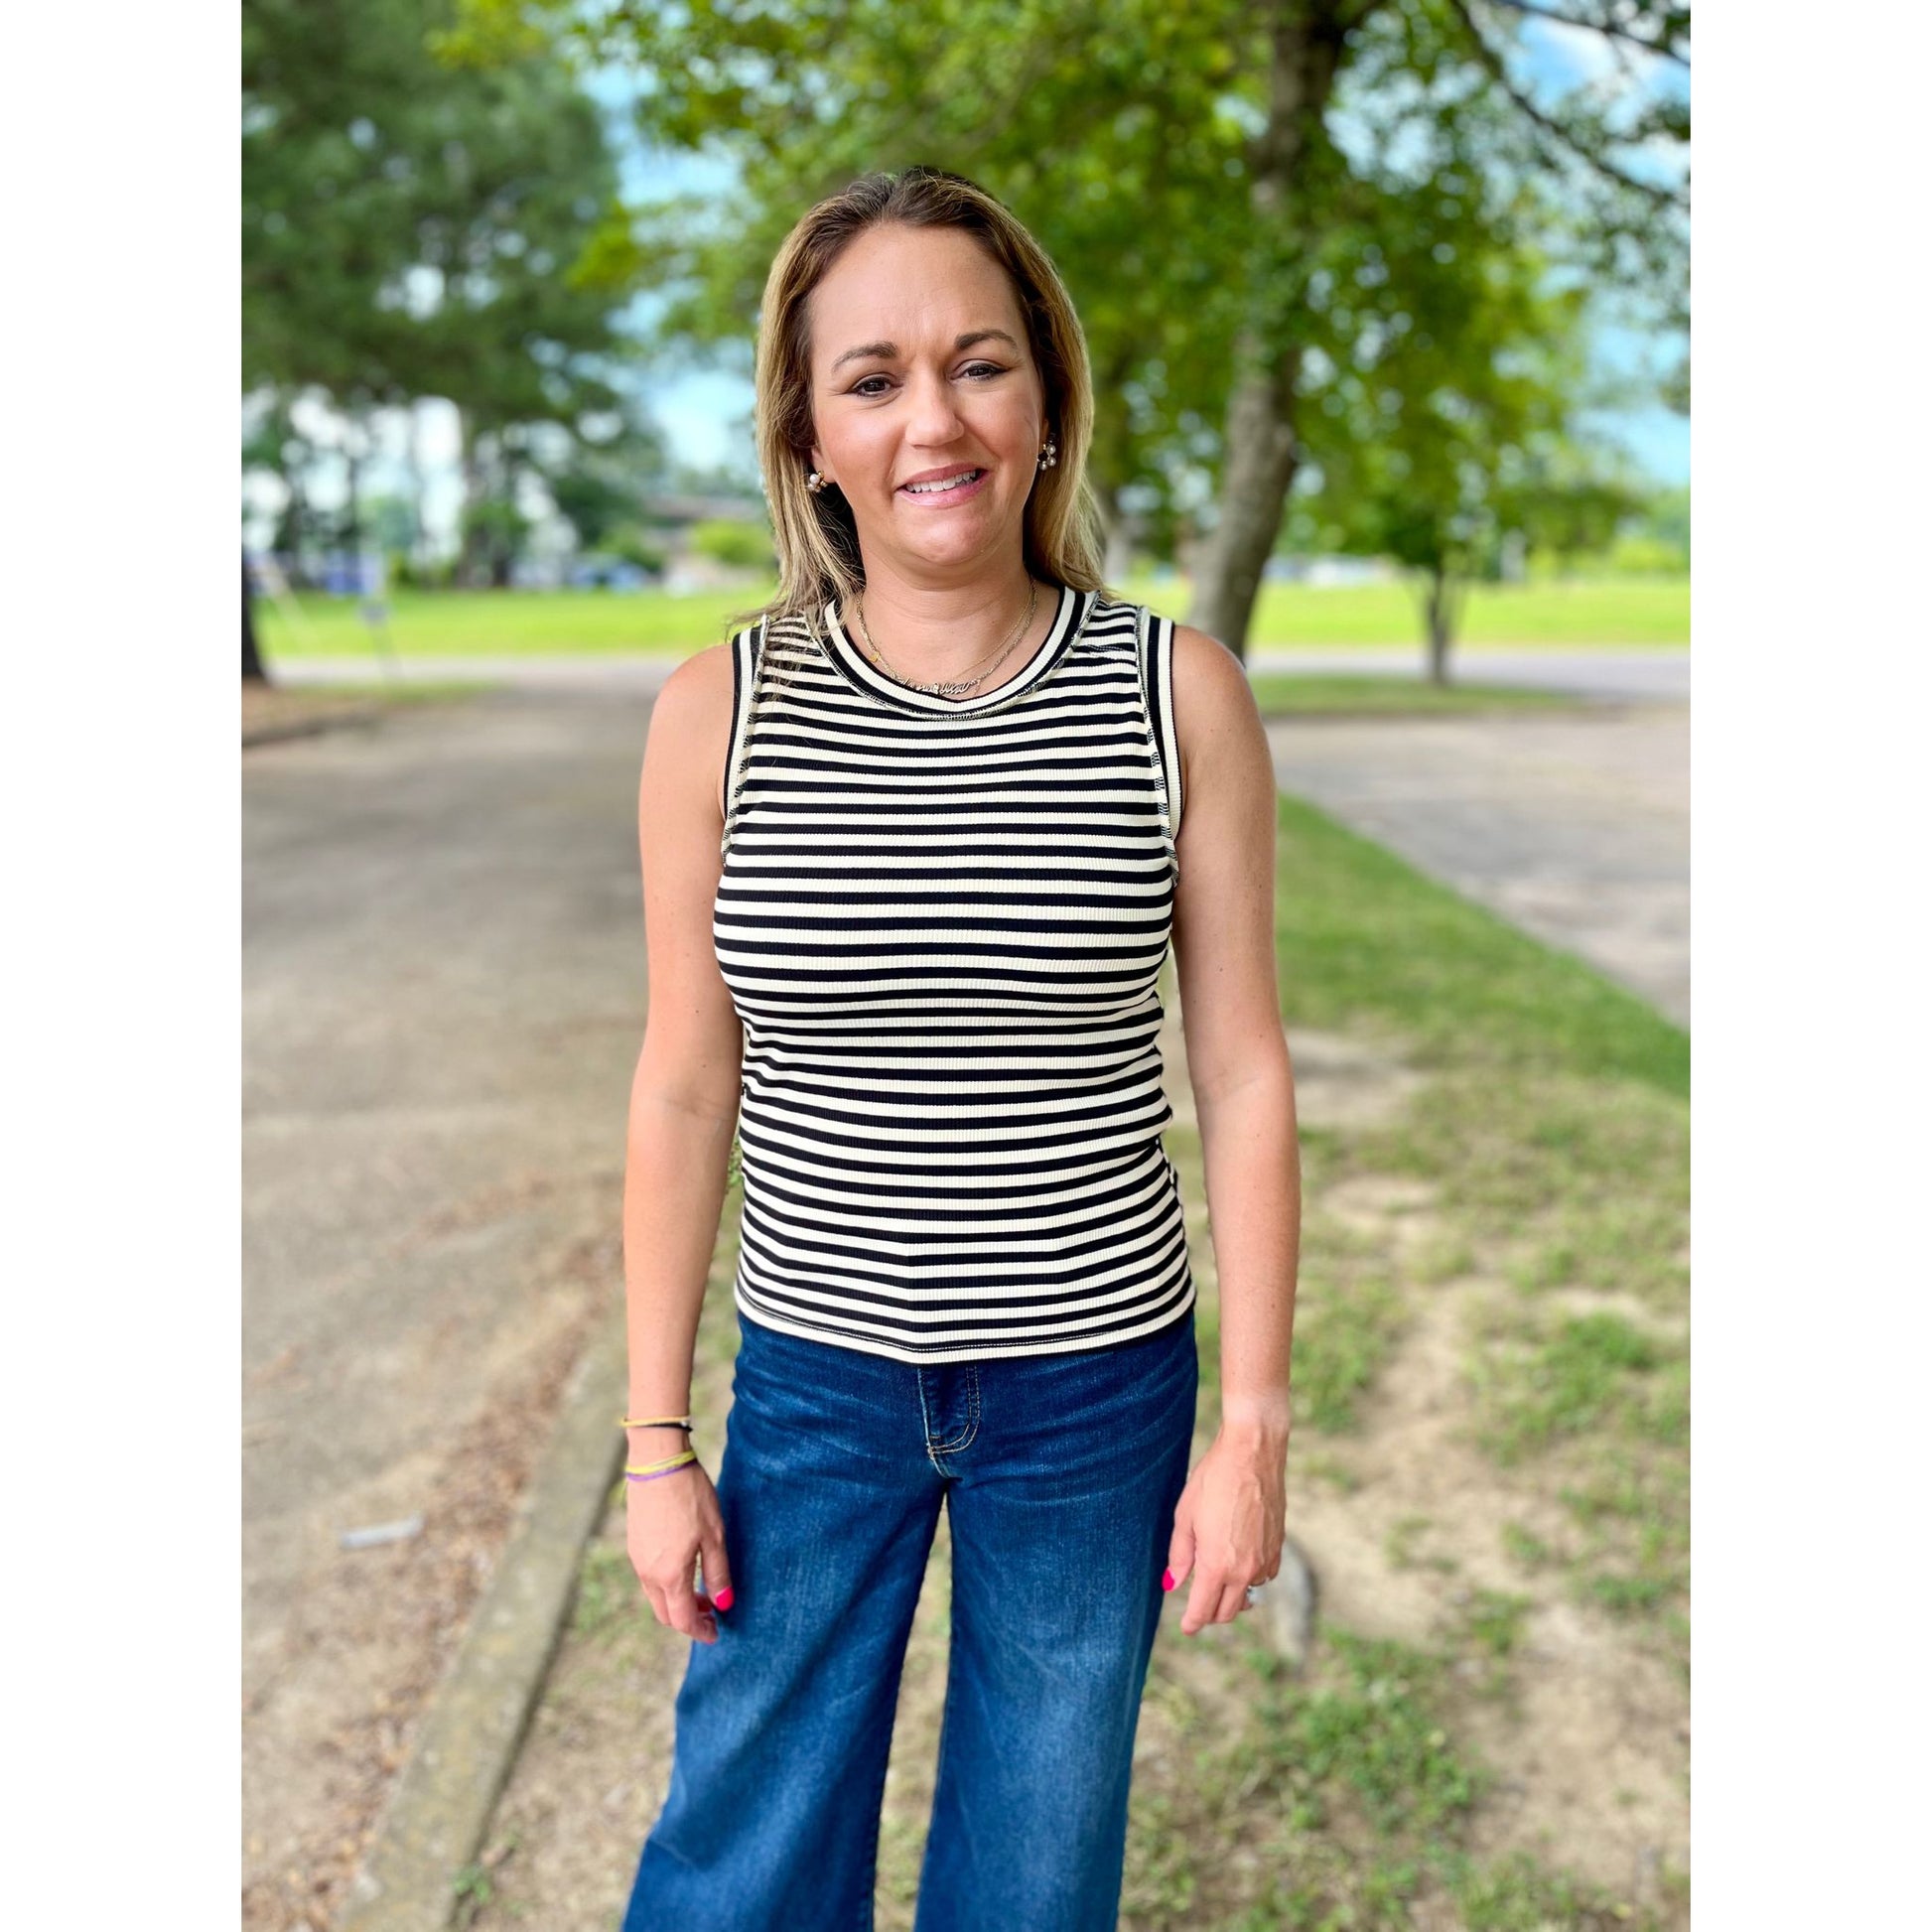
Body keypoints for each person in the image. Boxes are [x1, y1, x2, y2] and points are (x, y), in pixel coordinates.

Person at [617, 166, 1301, 1932]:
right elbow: (688, 1081)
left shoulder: (1178, 693)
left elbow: (1239, 1070)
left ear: (1048, 398)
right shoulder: (720, 708)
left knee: (1033, 1863)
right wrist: (652, 1437)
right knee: (741, 1848)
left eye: (980, 363)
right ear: (808, 427)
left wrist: (1251, 1427)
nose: (935, 417)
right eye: (873, 375)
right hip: (818, 1390)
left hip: (1093, 1393)